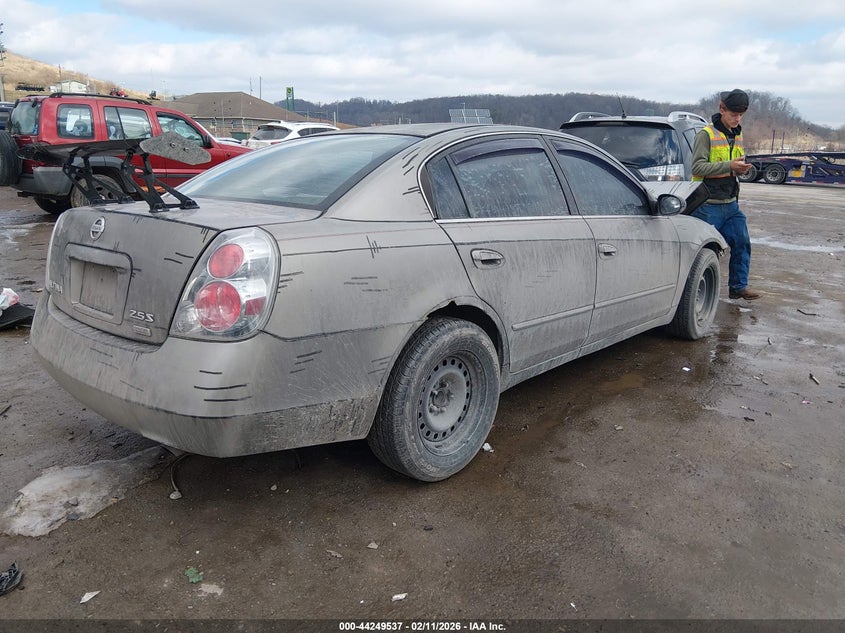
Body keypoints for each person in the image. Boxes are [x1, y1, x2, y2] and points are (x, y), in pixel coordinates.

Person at [691, 89, 760, 300]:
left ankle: (738, 287)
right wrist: (729, 166)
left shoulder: (737, 134)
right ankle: (692, 294)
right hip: (707, 205)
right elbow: (697, 168)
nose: (737, 118)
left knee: (742, 243)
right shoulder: (706, 135)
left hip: (730, 203)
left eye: (741, 115)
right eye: (733, 114)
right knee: (702, 252)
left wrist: (740, 169)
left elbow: (734, 165)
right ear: (722, 109)